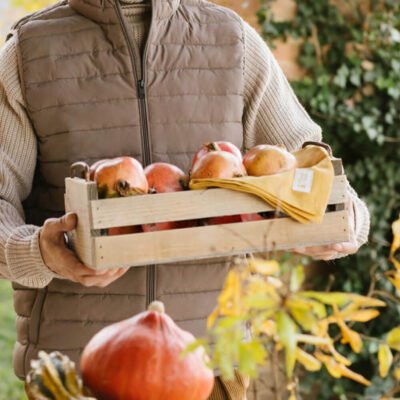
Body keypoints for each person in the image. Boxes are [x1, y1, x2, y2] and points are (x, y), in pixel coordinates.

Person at [0, 0, 370, 398]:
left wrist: (344, 219)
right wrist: (37, 251)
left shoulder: (231, 42)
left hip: (209, 370)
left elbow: (310, 168)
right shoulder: (30, 52)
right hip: (79, 373)